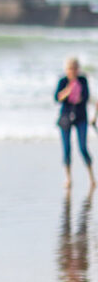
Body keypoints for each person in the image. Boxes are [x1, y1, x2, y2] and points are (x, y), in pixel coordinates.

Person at [55, 56, 96, 190]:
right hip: (66, 117)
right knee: (67, 148)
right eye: (69, 69)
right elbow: (57, 97)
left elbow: (86, 97)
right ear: (66, 70)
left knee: (83, 147)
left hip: (80, 117)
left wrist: (80, 98)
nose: (72, 71)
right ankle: (68, 179)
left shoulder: (82, 80)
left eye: (74, 68)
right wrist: (67, 91)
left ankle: (92, 178)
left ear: (78, 69)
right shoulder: (63, 81)